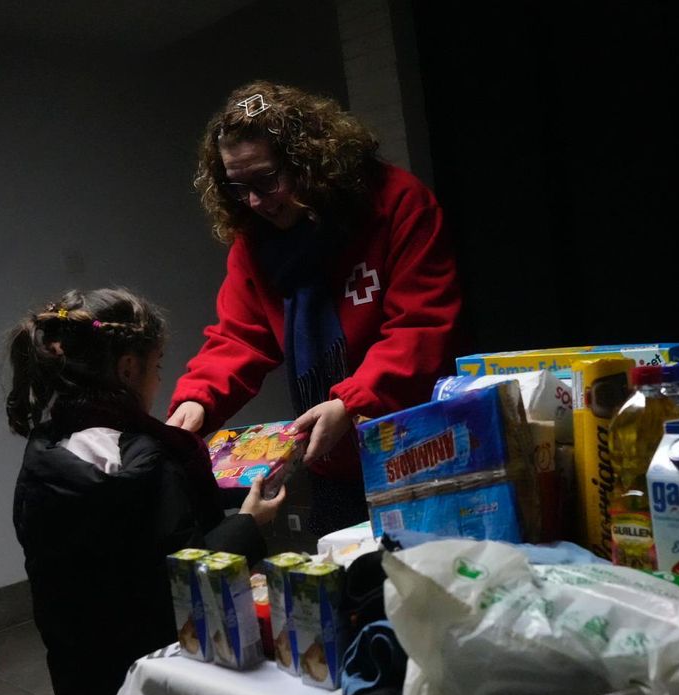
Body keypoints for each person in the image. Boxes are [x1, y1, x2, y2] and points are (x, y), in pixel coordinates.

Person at [6, 288, 283, 695]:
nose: (162, 381)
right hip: (163, 675)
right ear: (129, 368)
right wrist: (249, 522)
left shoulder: (42, 453)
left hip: (84, 678)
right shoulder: (149, 461)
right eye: (158, 365)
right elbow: (183, 576)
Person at [166, 80, 464, 536]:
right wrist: (196, 402)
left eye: (266, 180)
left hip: (421, 448)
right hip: (333, 464)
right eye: (238, 187)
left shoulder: (397, 204)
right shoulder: (255, 240)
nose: (253, 202)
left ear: (309, 161)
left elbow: (421, 327)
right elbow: (239, 337)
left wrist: (352, 401)